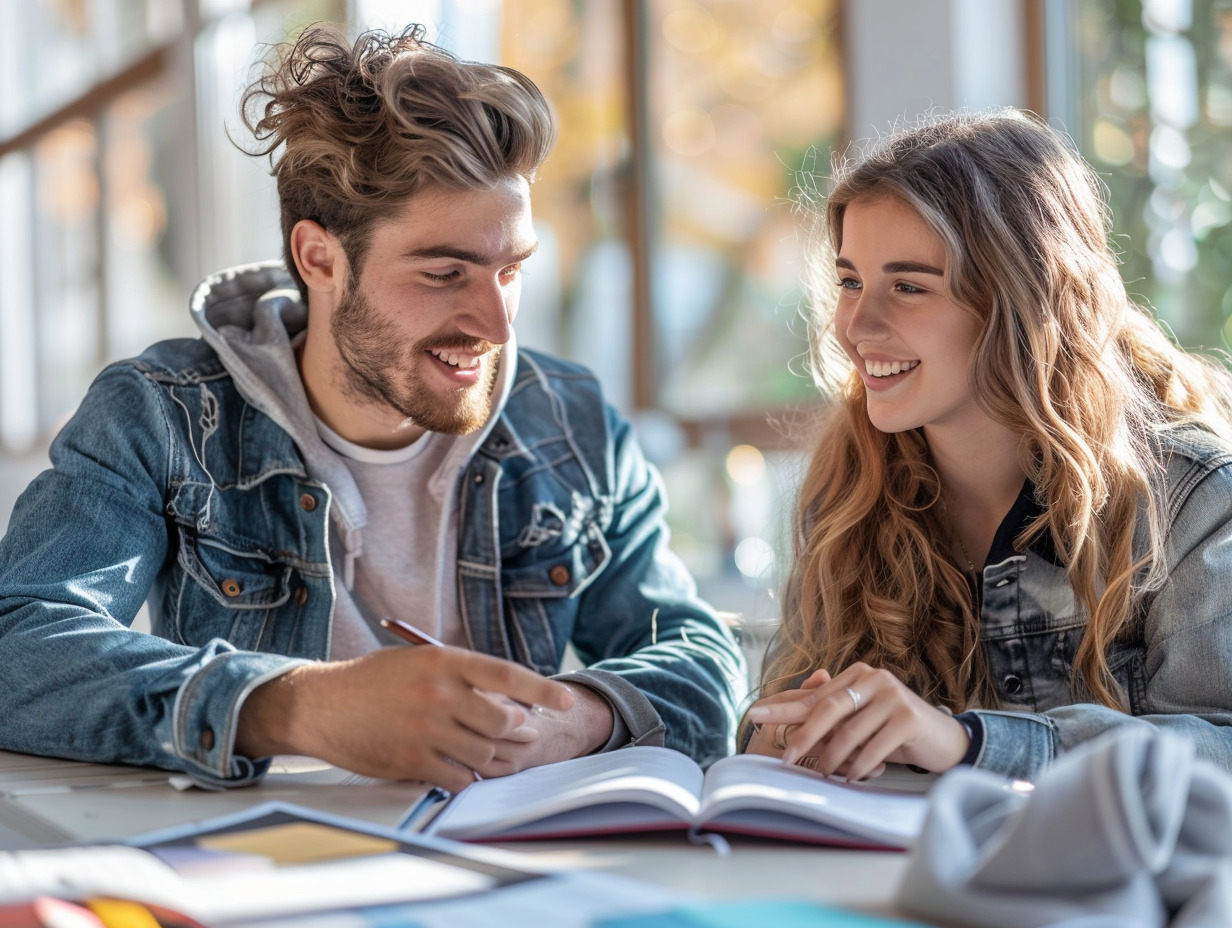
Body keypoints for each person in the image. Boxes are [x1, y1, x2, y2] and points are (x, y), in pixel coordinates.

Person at [0, 24, 744, 792]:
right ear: (320, 258)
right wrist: (292, 707)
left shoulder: (570, 421)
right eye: (445, 273)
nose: (496, 325)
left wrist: (580, 716)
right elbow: (18, 646)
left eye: (511, 269)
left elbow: (699, 657)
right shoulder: (159, 418)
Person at [743, 108, 1232, 782]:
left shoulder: (1192, 500)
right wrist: (785, 734)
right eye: (850, 281)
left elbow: (1221, 753)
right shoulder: (847, 491)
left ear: (1023, 303)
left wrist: (967, 744)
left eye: (908, 287)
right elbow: (781, 708)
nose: (855, 326)